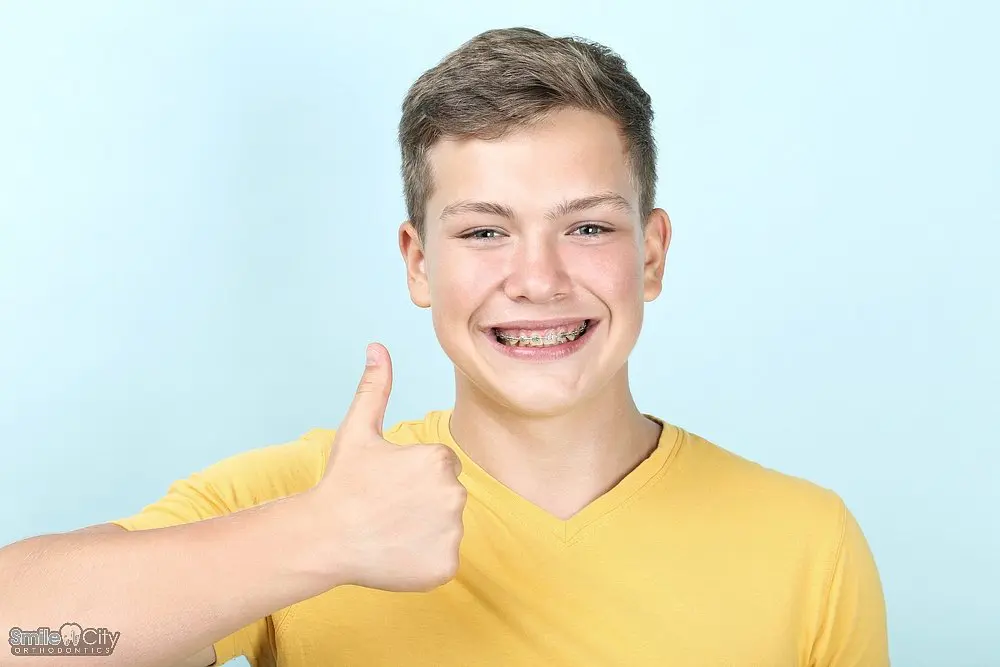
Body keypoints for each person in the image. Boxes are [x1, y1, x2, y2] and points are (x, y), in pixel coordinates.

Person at [0, 27, 889, 667]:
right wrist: (319, 537)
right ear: (418, 262)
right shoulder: (303, 499)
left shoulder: (809, 542)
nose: (537, 279)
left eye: (586, 226)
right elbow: (24, 636)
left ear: (650, 254)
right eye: (484, 232)